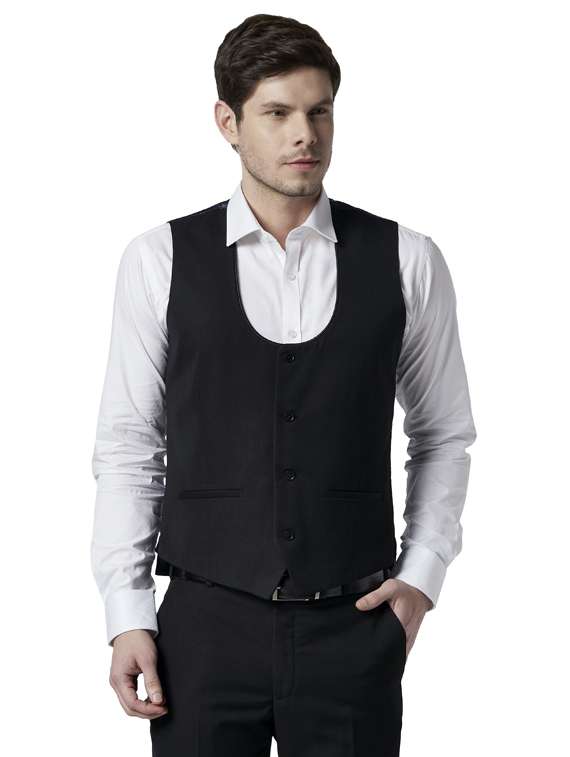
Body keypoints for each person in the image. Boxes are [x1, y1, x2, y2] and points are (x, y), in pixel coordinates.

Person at [91, 13, 476, 756]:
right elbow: (129, 444)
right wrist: (127, 610)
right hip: (202, 628)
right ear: (228, 123)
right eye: (277, 113)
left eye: (319, 111)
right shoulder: (158, 260)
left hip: (353, 624)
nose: (305, 134)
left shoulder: (408, 259)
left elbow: (443, 433)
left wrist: (422, 577)